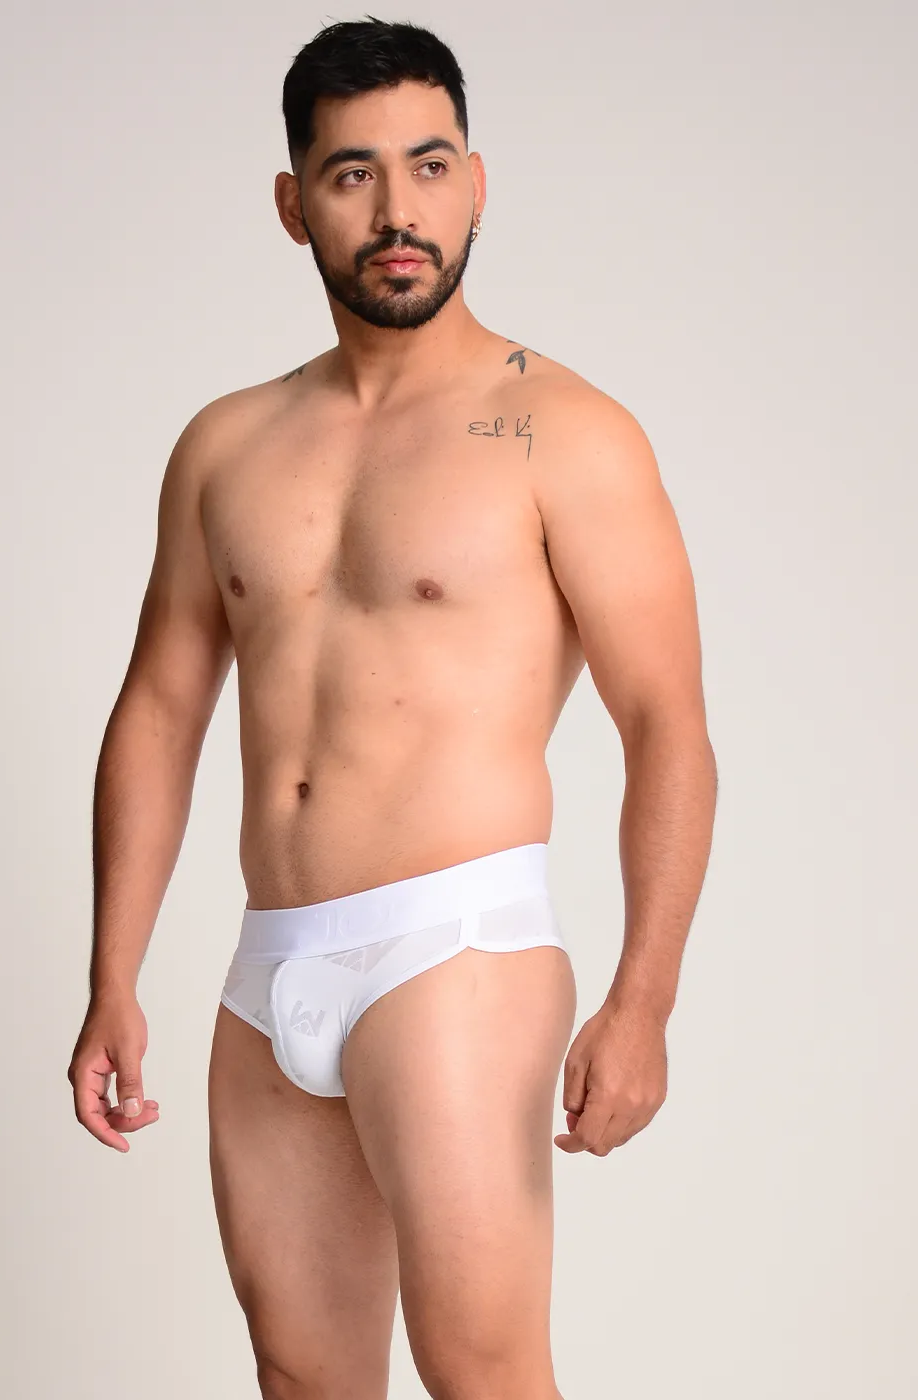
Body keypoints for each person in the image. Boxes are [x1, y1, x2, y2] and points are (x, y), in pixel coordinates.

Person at [67, 17, 717, 1400]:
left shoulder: (566, 431)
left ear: (477, 184)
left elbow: (667, 723)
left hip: (454, 947)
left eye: (429, 166)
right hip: (268, 968)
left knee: (481, 1372)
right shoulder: (226, 446)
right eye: (353, 174)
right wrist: (113, 973)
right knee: (303, 1379)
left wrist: (644, 1000)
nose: (398, 210)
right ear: (294, 204)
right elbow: (161, 709)